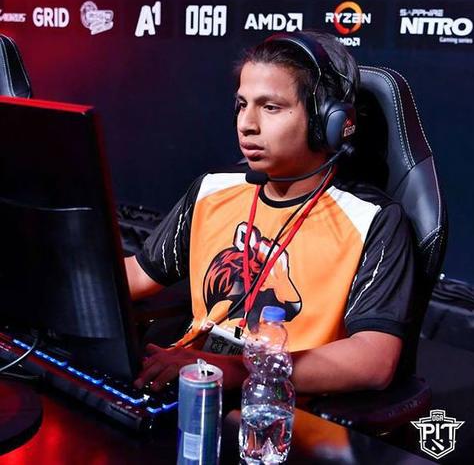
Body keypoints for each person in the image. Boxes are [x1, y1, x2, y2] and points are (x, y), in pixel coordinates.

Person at [126, 31, 415, 394]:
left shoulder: (373, 220)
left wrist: (235, 370)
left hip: (277, 406)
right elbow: (139, 275)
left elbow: (373, 359)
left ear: (328, 122)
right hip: (188, 383)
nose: (246, 123)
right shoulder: (212, 190)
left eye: (270, 107)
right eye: (242, 104)